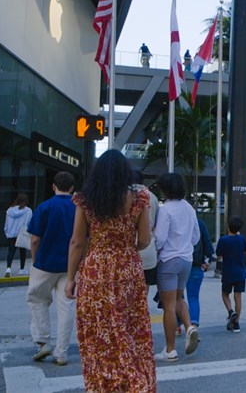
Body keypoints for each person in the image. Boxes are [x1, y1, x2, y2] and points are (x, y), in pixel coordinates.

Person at [65, 150, 156, 391]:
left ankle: (103, 385)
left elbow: (77, 242)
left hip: (96, 270)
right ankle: (135, 383)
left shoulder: (85, 200)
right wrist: (126, 248)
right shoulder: (140, 198)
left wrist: (70, 278)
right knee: (131, 329)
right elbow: (145, 239)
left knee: (99, 332)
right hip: (129, 269)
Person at [26, 171, 76, 366]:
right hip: (70, 265)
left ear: (53, 186)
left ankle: (42, 341)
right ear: (72, 188)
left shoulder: (44, 207)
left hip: (45, 263)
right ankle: (61, 352)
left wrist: (34, 260)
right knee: (66, 306)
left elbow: (35, 239)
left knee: (37, 300)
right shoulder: (78, 208)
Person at [154, 172, 200, 362]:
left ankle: (170, 349)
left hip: (169, 260)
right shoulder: (189, 208)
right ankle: (190, 326)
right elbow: (196, 237)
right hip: (186, 260)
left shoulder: (165, 209)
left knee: (169, 306)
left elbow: (160, 239)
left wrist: (155, 251)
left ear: (165, 189)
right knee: (180, 297)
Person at [216, 215, 246, 333]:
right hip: (240, 271)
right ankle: (237, 323)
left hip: (228, 272)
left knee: (225, 294)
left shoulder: (223, 240)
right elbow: (245, 251)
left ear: (228, 227)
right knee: (238, 297)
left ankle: (230, 311)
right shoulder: (242, 239)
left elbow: (219, 255)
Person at [186, 218, 215, 330]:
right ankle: (193, 325)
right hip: (196, 264)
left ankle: (178, 324)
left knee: (177, 297)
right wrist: (207, 261)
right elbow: (207, 244)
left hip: (177, 263)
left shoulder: (173, 218)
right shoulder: (199, 223)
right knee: (193, 297)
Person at [4, 193, 32, 277]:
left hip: (11, 234)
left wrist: (7, 232)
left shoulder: (10, 210)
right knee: (22, 252)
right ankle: (22, 269)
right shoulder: (28, 211)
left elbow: (6, 223)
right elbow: (29, 222)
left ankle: (8, 268)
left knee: (11, 251)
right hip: (22, 233)